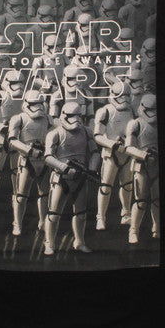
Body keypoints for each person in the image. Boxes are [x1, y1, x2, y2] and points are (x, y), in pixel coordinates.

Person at [44, 102, 100, 255]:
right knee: (54, 213)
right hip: (61, 177)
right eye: (71, 116)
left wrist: (92, 169)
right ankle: (50, 243)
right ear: (63, 115)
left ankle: (80, 242)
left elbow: (95, 152)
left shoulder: (86, 131)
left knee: (81, 213)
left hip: (80, 177)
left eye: (78, 116)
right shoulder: (55, 134)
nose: (75, 119)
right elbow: (48, 157)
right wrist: (64, 168)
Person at [8, 90, 53, 235]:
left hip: (43, 160)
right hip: (26, 160)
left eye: (40, 103)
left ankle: (43, 222)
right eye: (34, 104)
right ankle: (17, 224)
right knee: (21, 195)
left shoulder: (48, 119)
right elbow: (12, 141)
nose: (38, 107)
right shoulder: (19, 119)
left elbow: (54, 137)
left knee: (45, 194)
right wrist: (29, 150)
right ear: (27, 104)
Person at [94, 82, 135, 230]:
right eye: (121, 95)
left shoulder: (132, 111)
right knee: (105, 186)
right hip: (111, 153)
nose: (123, 99)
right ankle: (101, 217)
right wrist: (112, 144)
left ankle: (126, 213)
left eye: (126, 95)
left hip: (127, 152)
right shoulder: (105, 111)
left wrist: (129, 142)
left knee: (127, 185)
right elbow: (97, 136)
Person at [0, 70, 25, 211]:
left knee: (17, 171)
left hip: (17, 136)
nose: (18, 86)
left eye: (20, 82)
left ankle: (16, 197)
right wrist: (0, 127)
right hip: (0, 136)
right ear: (7, 83)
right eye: (14, 83)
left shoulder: (25, 97)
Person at [124, 93, 159, 243]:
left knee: (157, 200)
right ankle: (133, 231)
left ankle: (157, 228)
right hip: (142, 166)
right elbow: (128, 147)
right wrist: (143, 154)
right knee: (140, 201)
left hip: (156, 165)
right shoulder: (135, 124)